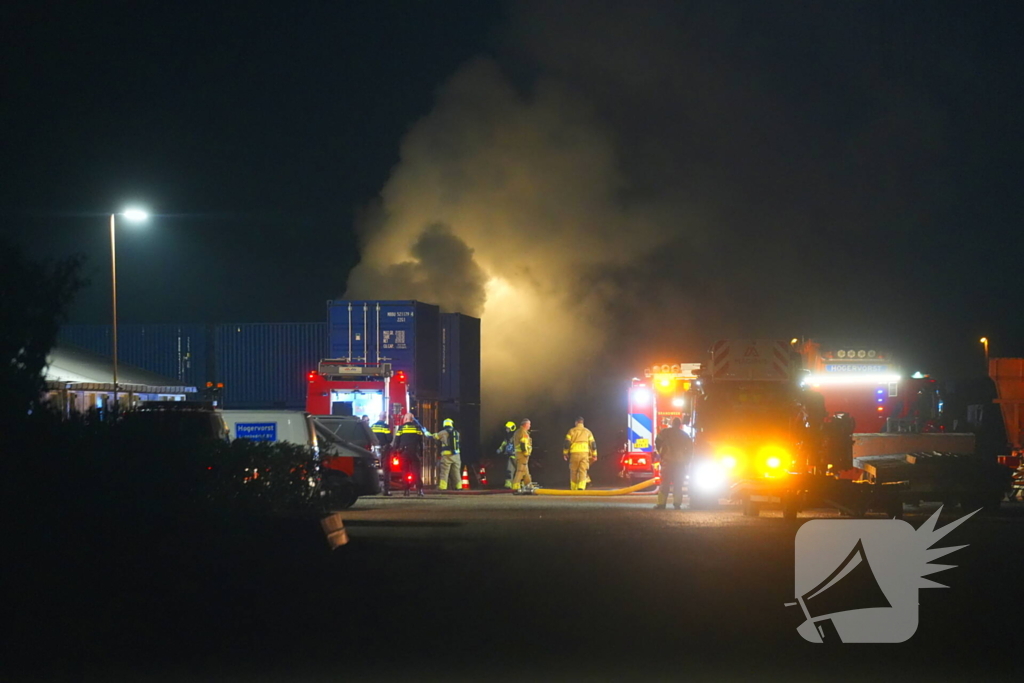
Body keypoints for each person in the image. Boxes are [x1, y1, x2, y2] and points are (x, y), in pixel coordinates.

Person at [654, 417, 693, 510]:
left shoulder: (665, 432)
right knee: (678, 484)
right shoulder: (684, 435)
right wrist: (687, 461)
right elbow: (690, 449)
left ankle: (661, 504)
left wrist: (661, 453)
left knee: (664, 483)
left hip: (667, 462)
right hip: (680, 463)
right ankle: (677, 504)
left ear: (672, 423)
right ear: (680, 424)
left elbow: (657, 442)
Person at [393, 413, 429, 497]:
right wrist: (421, 454)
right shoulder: (417, 428)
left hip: (404, 452)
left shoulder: (401, 428)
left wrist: (395, 452)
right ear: (412, 419)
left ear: (405, 419)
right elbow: (420, 442)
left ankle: (406, 491)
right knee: (416, 472)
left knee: (405, 471)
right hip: (414, 452)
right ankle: (419, 490)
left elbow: (396, 441)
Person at [563, 417, 598, 491]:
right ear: (582, 422)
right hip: (584, 454)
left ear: (576, 423)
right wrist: (594, 454)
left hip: (574, 454)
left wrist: (565, 453)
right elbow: (593, 444)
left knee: (573, 471)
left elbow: (567, 443)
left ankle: (573, 488)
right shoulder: (588, 431)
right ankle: (581, 488)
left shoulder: (571, 431)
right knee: (583, 471)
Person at [433, 418, 462, 490]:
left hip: (446, 456)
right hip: (456, 456)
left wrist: (427, 433)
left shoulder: (442, 432)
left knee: (444, 472)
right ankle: (458, 487)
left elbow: (434, 437)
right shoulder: (457, 433)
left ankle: (443, 487)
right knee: (456, 472)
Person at [370, 413, 394, 496]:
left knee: (373, 468)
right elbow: (389, 439)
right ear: (385, 418)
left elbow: (370, 438)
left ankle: (373, 488)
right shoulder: (385, 426)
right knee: (386, 469)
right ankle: (386, 490)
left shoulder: (373, 426)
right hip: (384, 450)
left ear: (379, 417)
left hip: (374, 450)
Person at [510, 418, 533, 490]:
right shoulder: (523, 432)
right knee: (520, 470)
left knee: (525, 471)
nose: (530, 426)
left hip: (519, 454)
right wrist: (526, 453)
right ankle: (516, 485)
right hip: (522, 455)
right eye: (529, 424)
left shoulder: (518, 432)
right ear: (525, 424)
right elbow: (523, 444)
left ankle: (528, 485)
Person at [497, 421, 517, 488]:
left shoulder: (516, 437)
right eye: (506, 428)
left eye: (508, 428)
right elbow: (504, 443)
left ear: (512, 428)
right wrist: (500, 449)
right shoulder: (507, 438)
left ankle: (519, 483)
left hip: (516, 456)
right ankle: (508, 483)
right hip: (510, 456)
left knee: (519, 471)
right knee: (509, 470)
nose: (506, 430)